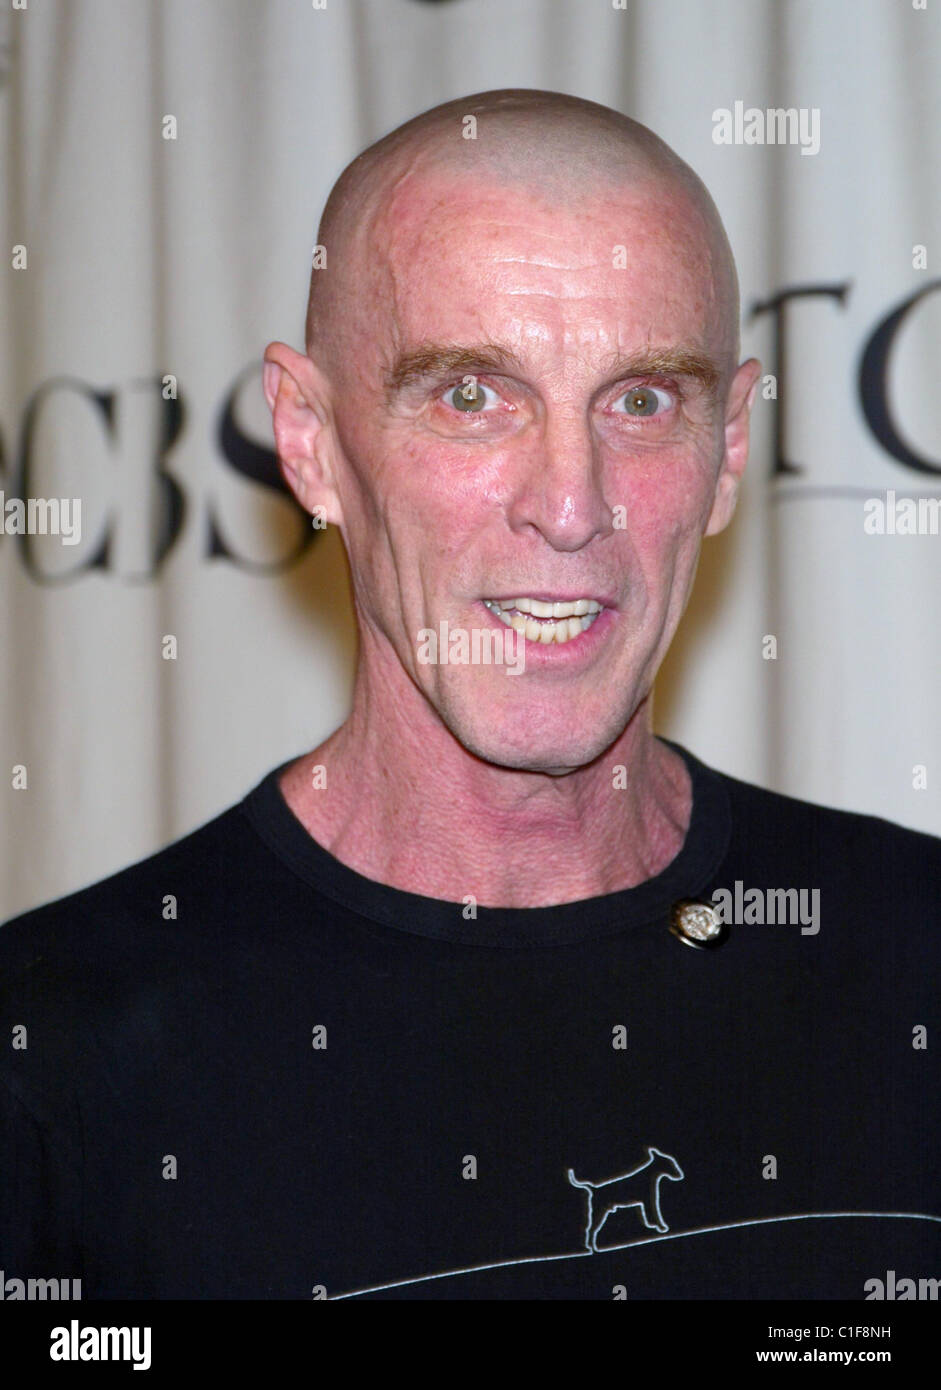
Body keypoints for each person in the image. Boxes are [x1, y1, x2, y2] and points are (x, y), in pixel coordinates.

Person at [1, 90, 938, 1301]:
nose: (567, 503)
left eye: (641, 401)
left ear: (730, 449)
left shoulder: (914, 960)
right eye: (469, 397)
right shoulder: (52, 1052)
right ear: (309, 441)